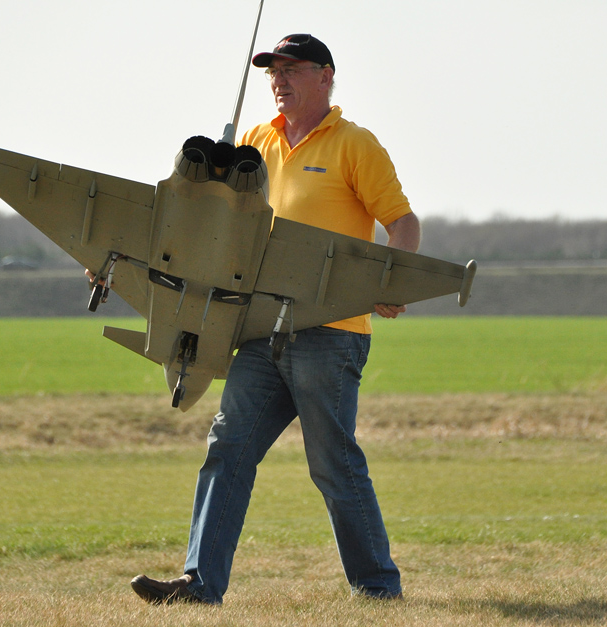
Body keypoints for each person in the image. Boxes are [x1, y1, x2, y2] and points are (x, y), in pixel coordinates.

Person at [130, 34, 421, 605]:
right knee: (227, 449)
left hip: (332, 334)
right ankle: (200, 583)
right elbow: (204, 227)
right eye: (272, 72)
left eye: (292, 70)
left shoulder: (355, 145)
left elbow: (401, 222)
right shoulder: (254, 143)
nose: (279, 81)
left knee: (332, 465)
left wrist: (395, 280)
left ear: (326, 76)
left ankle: (379, 588)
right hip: (262, 332)